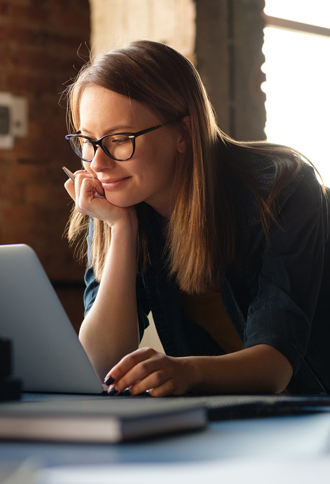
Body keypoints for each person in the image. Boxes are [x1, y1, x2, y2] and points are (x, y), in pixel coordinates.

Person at [62, 40, 329, 397]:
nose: (97, 163)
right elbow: (100, 363)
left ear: (183, 134)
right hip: (229, 420)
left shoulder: (282, 189)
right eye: (87, 141)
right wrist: (122, 228)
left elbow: (276, 367)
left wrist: (186, 371)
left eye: (121, 139)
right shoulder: (117, 198)